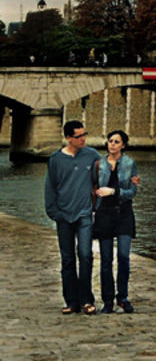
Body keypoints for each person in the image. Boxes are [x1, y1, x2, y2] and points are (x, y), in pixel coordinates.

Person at [44, 120, 100, 315]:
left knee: (85, 255)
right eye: (79, 136)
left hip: (85, 214)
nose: (83, 139)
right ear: (68, 138)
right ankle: (71, 301)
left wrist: (130, 179)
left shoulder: (92, 155)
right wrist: (55, 213)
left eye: (84, 134)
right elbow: (50, 188)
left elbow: (104, 176)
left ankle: (87, 299)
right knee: (67, 260)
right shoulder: (55, 160)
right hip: (64, 215)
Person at [94, 129, 138, 313]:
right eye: (110, 141)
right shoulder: (99, 164)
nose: (112, 144)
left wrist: (113, 192)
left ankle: (123, 297)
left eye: (116, 142)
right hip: (104, 214)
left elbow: (132, 192)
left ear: (123, 145)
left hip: (124, 214)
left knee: (124, 257)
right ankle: (107, 301)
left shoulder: (130, 164)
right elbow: (93, 187)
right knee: (106, 260)